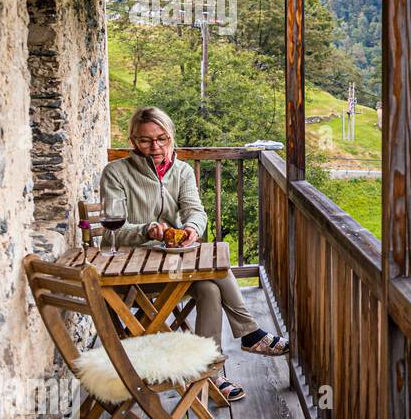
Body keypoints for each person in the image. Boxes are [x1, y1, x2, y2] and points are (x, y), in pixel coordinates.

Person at [99, 106, 288, 402]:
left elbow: (196, 211)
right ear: (134, 141)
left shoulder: (182, 171)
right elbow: (112, 231)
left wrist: (192, 228)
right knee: (214, 276)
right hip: (134, 275)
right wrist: (146, 230)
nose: (156, 147)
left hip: (175, 265)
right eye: (146, 140)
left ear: (171, 136)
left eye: (162, 138)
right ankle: (249, 335)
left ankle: (209, 373)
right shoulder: (116, 173)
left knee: (209, 288)